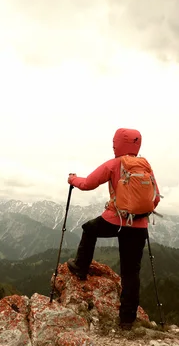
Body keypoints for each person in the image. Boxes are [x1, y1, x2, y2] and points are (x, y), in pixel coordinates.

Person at [66, 127, 161, 330]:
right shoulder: (146, 167)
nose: (113, 146)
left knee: (89, 229)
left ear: (118, 143)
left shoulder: (114, 164)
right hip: (139, 225)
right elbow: (155, 198)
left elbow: (88, 183)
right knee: (131, 272)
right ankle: (127, 320)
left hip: (115, 220)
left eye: (114, 143)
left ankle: (81, 266)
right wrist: (140, 214)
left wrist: (72, 179)